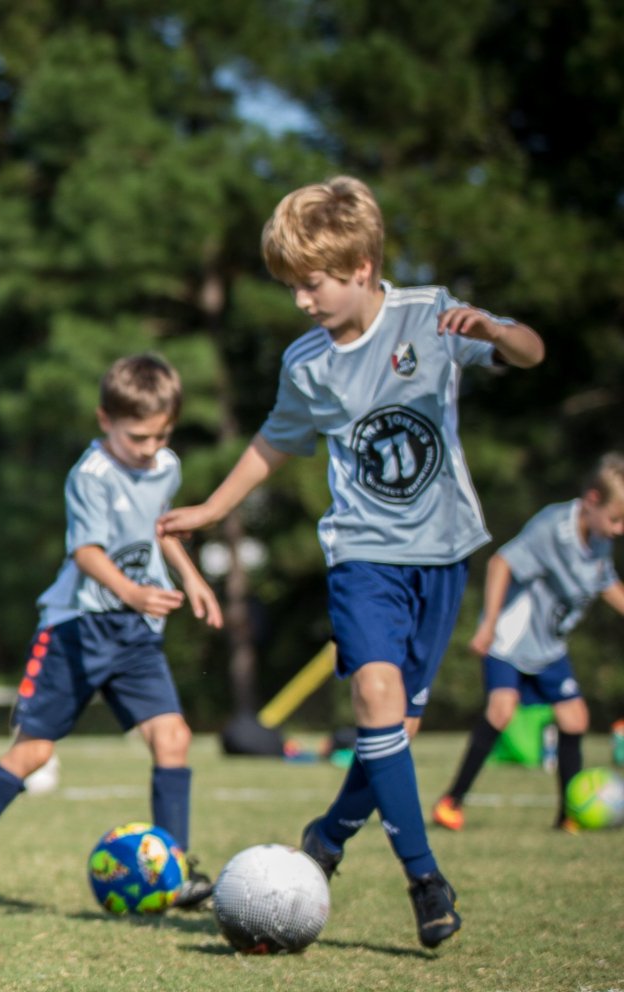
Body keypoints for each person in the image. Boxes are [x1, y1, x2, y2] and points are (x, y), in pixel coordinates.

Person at [159, 175, 546, 948]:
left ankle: (329, 835)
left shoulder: (432, 316)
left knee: (391, 732)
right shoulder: (307, 363)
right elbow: (274, 442)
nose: (302, 301)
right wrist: (210, 509)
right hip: (362, 557)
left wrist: (499, 334)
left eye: (312, 284)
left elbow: (533, 352)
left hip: (441, 561)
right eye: (292, 287)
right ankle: (424, 879)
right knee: (375, 699)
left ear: (363, 266)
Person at [0, 355, 222, 914]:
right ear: (104, 418)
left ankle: (173, 870)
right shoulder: (91, 476)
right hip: (76, 630)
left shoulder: (166, 466)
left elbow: (163, 530)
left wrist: (194, 580)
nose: (150, 447)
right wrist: (132, 592)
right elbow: (85, 553)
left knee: (173, 737)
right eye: (137, 436)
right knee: (33, 751)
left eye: (162, 435)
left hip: (135, 634)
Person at [434, 454, 624, 831]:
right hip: (511, 636)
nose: (619, 529)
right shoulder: (553, 527)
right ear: (591, 500)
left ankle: (569, 815)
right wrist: (488, 624)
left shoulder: (600, 540)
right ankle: (451, 802)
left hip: (549, 645)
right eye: (615, 518)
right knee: (502, 709)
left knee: (575, 717)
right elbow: (500, 563)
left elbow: (607, 583)